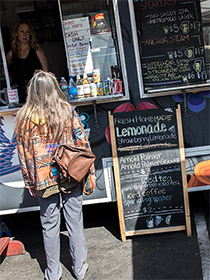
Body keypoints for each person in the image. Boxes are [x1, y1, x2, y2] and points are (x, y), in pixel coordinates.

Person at [15, 71, 95, 280]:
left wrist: (28, 181)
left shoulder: (24, 118)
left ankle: (53, 274)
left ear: (32, 91)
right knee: (74, 222)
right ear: (55, 88)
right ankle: (79, 270)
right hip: (70, 173)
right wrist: (90, 173)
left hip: (42, 178)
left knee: (49, 225)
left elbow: (22, 154)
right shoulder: (67, 112)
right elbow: (82, 144)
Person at [6, 20, 48, 103]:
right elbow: (6, 74)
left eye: (27, 32)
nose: (25, 35)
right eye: (22, 31)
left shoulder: (37, 51)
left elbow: (46, 72)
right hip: (18, 95)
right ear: (16, 34)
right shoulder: (11, 54)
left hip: (37, 93)